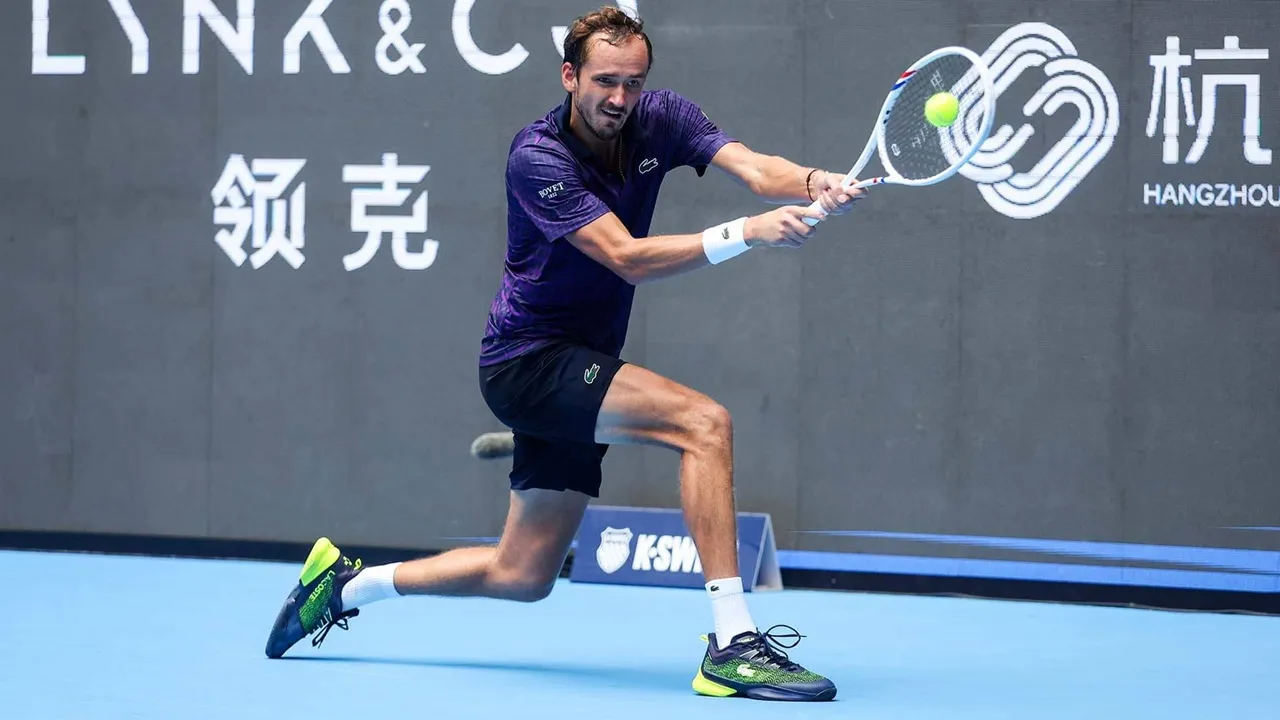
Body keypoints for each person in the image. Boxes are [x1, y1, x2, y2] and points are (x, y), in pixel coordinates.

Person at [264, 6, 863, 702]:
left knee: (522, 576)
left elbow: (757, 168)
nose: (619, 98)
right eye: (605, 81)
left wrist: (813, 179)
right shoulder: (537, 156)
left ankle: (343, 588)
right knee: (704, 425)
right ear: (569, 76)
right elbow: (626, 258)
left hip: (581, 362)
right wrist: (750, 233)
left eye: (633, 83)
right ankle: (732, 644)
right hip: (529, 362)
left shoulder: (660, 118)